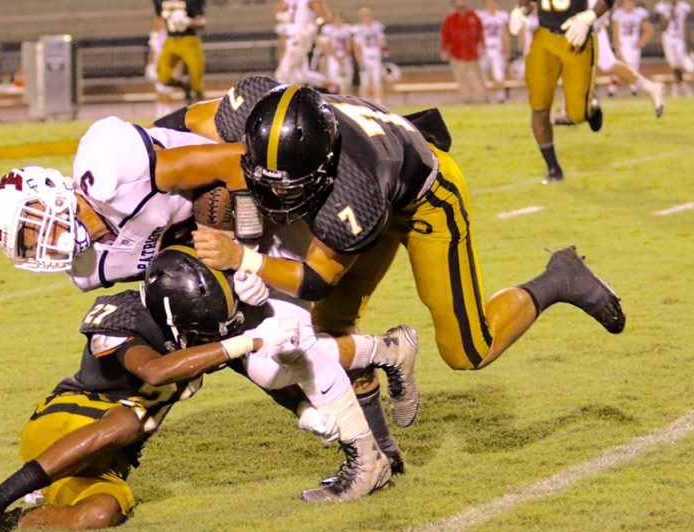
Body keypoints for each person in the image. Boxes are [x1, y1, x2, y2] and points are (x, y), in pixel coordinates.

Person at [0, 118, 421, 498]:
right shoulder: (87, 269)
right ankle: (384, 352)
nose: (44, 239)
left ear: (48, 186)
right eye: (27, 242)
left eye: (35, 220)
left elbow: (237, 163)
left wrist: (244, 249)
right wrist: (223, 300)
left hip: (266, 209)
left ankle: (368, 459)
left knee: (298, 343)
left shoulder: (111, 167)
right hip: (219, 256)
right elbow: (184, 288)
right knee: (272, 366)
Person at [161, 79, 625, 417]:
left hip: (424, 197)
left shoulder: (353, 190)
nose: (277, 196)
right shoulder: (255, 111)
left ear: (321, 168)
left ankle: (559, 278)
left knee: (467, 350)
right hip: (378, 168)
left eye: (291, 186)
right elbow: (177, 126)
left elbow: (319, 279)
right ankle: (381, 446)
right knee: (329, 333)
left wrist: (245, 257)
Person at [0, 248, 391, 532]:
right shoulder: (123, 314)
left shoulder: (203, 335)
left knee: (101, 514)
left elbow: (244, 367)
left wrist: (303, 409)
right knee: (128, 419)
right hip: (65, 422)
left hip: (109, 458)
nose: (212, 335)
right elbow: (152, 370)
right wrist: (245, 339)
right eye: (204, 328)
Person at [510, 0, 612, 183]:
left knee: (577, 114)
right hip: (544, 38)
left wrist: (591, 15)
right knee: (539, 107)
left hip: (575, 36)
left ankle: (591, 107)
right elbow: (528, 3)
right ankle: (553, 168)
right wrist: (520, 11)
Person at [153, 0, 207, 116]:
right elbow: (158, 16)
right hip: (171, 40)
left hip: (189, 40)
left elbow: (202, 22)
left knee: (196, 78)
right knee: (162, 76)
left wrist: (188, 22)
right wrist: (156, 34)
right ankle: (184, 85)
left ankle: (203, 108)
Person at [275, 0, 332, 85]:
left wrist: (314, 24)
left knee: (283, 73)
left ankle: (279, 96)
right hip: (291, 37)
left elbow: (325, 16)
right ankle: (330, 85)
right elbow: (277, 13)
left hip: (299, 37)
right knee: (300, 74)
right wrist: (285, 16)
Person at [441, 0, 488, 103]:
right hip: (457, 54)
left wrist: (482, 45)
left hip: (472, 53)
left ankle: (481, 100)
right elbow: (445, 34)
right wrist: (444, 49)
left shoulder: (473, 15)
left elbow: (480, 32)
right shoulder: (451, 17)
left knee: (476, 78)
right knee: (462, 79)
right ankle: (467, 100)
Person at [613, 0, 655, 95]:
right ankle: (612, 89)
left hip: (633, 45)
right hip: (623, 44)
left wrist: (642, 41)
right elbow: (616, 33)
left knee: (634, 68)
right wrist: (617, 48)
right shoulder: (618, 14)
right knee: (621, 67)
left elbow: (649, 29)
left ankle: (634, 89)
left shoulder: (639, 13)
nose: (629, 4)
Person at [351, 7, 388, 105]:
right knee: (365, 82)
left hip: (376, 56)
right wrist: (359, 59)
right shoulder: (358, 28)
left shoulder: (376, 26)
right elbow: (356, 45)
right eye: (364, 15)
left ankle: (379, 103)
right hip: (365, 57)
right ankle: (363, 104)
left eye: (368, 15)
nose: (366, 17)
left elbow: (382, 42)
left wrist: (385, 53)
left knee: (377, 81)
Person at [656, 0, 693, 96]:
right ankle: (679, 85)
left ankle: (679, 85)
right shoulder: (663, 6)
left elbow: (686, 24)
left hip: (680, 37)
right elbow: (663, 27)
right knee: (674, 63)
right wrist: (670, 15)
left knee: (682, 62)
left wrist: (688, 40)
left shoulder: (683, 6)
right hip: (668, 37)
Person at [478, 0, 512, 103]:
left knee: (498, 74)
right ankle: (483, 97)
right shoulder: (481, 15)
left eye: (493, 2)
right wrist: (478, 47)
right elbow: (477, 33)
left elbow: (505, 34)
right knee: (482, 74)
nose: (491, 4)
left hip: (497, 48)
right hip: (484, 48)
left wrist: (507, 49)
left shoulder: (502, 16)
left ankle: (500, 96)